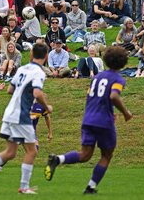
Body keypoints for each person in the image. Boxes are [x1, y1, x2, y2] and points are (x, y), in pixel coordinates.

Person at [45, 46, 133, 194]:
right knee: (106, 155)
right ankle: (91, 187)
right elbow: (113, 96)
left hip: (88, 119)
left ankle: (58, 159)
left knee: (85, 155)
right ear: (123, 62)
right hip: (103, 121)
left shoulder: (97, 77)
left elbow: (91, 96)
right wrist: (126, 113)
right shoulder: (118, 78)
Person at [0, 43, 53, 194]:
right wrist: (47, 107)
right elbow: (37, 93)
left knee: (10, 152)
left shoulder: (22, 69)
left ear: (31, 55)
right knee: (32, 151)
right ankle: (24, 186)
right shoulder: (38, 72)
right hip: (21, 115)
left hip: (9, 113)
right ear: (46, 56)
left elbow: (10, 90)